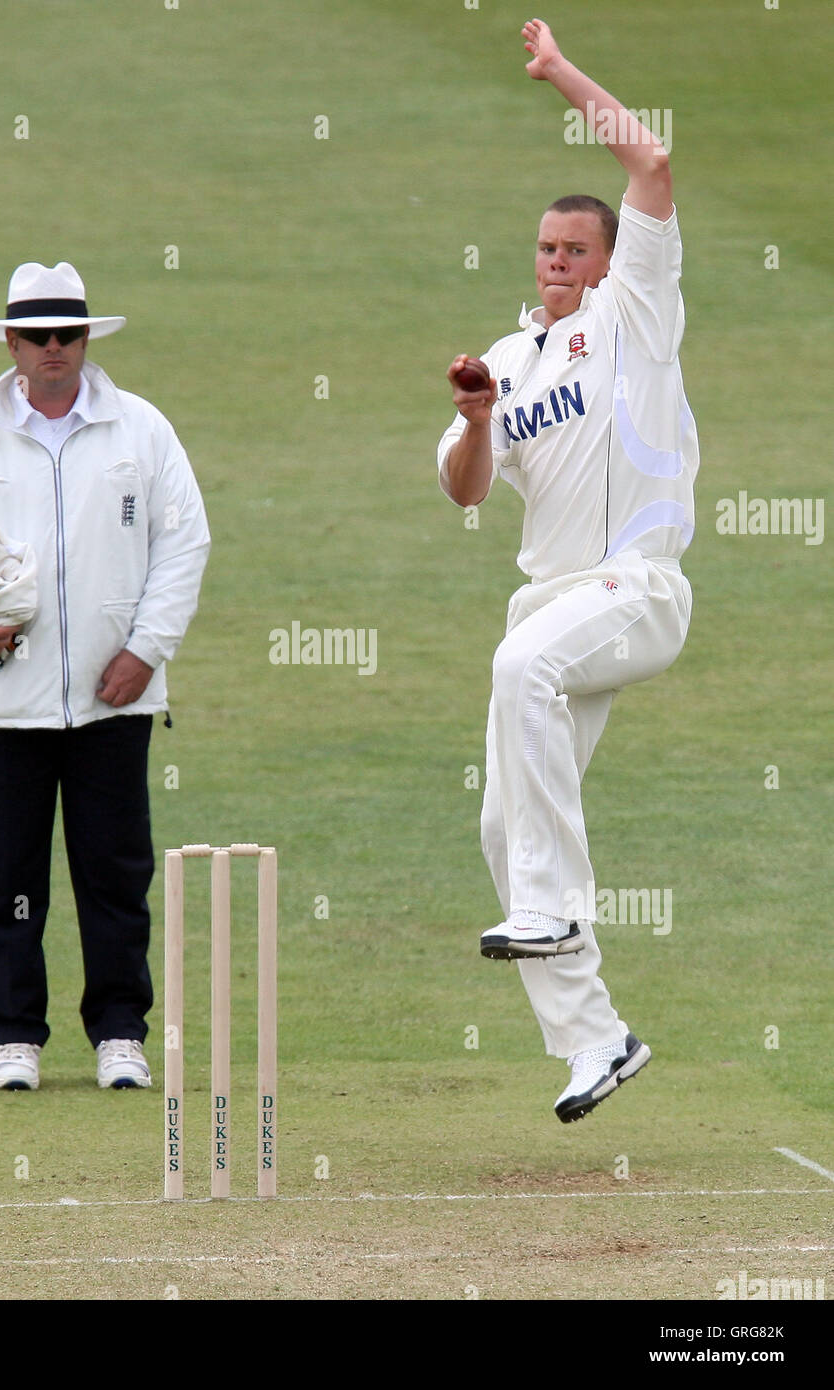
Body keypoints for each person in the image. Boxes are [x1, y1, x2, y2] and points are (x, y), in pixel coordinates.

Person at [437, 20, 697, 1121]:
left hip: (633, 589)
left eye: (573, 251)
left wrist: (557, 74)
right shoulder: (503, 362)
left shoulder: (632, 314)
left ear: (605, 259)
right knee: (500, 829)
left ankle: (548, 906)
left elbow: (649, 162)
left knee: (516, 670)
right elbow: (461, 490)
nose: (557, 264)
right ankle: (595, 1039)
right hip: (552, 601)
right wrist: (474, 422)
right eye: (544, 251)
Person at [0, 261, 210, 1091]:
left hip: (113, 697)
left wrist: (146, 649)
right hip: (2, 698)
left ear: (87, 338)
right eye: (37, 336)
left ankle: (120, 1034)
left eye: (68, 334)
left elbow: (183, 545)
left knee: (115, 875)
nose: (54, 349)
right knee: (6, 877)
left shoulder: (141, 430)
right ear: (12, 342)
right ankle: (15, 1037)